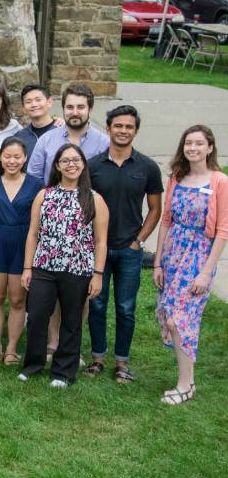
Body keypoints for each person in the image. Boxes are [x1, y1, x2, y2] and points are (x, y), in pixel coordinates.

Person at [19, 144, 108, 387]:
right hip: (44, 266)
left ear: (83, 165)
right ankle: (33, 364)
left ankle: (63, 372)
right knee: (37, 315)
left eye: (76, 160)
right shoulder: (44, 195)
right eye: (66, 160)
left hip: (78, 269)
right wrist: (28, 268)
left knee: (72, 320)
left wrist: (97, 274)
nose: (72, 164)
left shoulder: (94, 199)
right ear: (57, 165)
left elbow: (101, 241)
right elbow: (32, 234)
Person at [85, 105, 162, 383]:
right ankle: (97, 358)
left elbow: (155, 208)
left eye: (129, 127)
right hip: (98, 249)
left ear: (136, 131)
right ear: (108, 128)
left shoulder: (147, 167)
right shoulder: (92, 166)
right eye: (118, 126)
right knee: (96, 303)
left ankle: (122, 362)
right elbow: (84, 205)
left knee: (126, 308)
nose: (123, 131)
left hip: (129, 249)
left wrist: (138, 241)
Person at [153, 125, 227, 405]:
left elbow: (222, 229)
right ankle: (186, 380)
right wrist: (158, 262)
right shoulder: (176, 178)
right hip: (173, 255)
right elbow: (166, 221)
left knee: (179, 320)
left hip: (198, 258)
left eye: (199, 143)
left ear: (210, 147)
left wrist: (206, 273)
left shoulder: (219, 181)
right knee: (170, 317)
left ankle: (186, 384)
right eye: (188, 143)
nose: (193, 148)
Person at [0, 138, 43, 367]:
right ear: (0, 157)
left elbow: (37, 224)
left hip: (22, 243)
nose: (12, 161)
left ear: (25, 158)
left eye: (17, 156)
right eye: (7, 156)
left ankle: (12, 349)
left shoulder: (37, 186)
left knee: (17, 299)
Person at [26, 84, 109, 181]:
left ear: (90, 110)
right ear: (63, 109)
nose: (74, 112)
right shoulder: (45, 140)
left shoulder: (103, 143)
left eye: (80, 107)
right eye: (70, 107)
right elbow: (33, 179)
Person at [11, 84, 58, 159]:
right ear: (23, 108)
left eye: (38, 100)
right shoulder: (19, 137)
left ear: (49, 102)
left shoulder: (62, 132)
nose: (34, 104)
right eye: (28, 102)